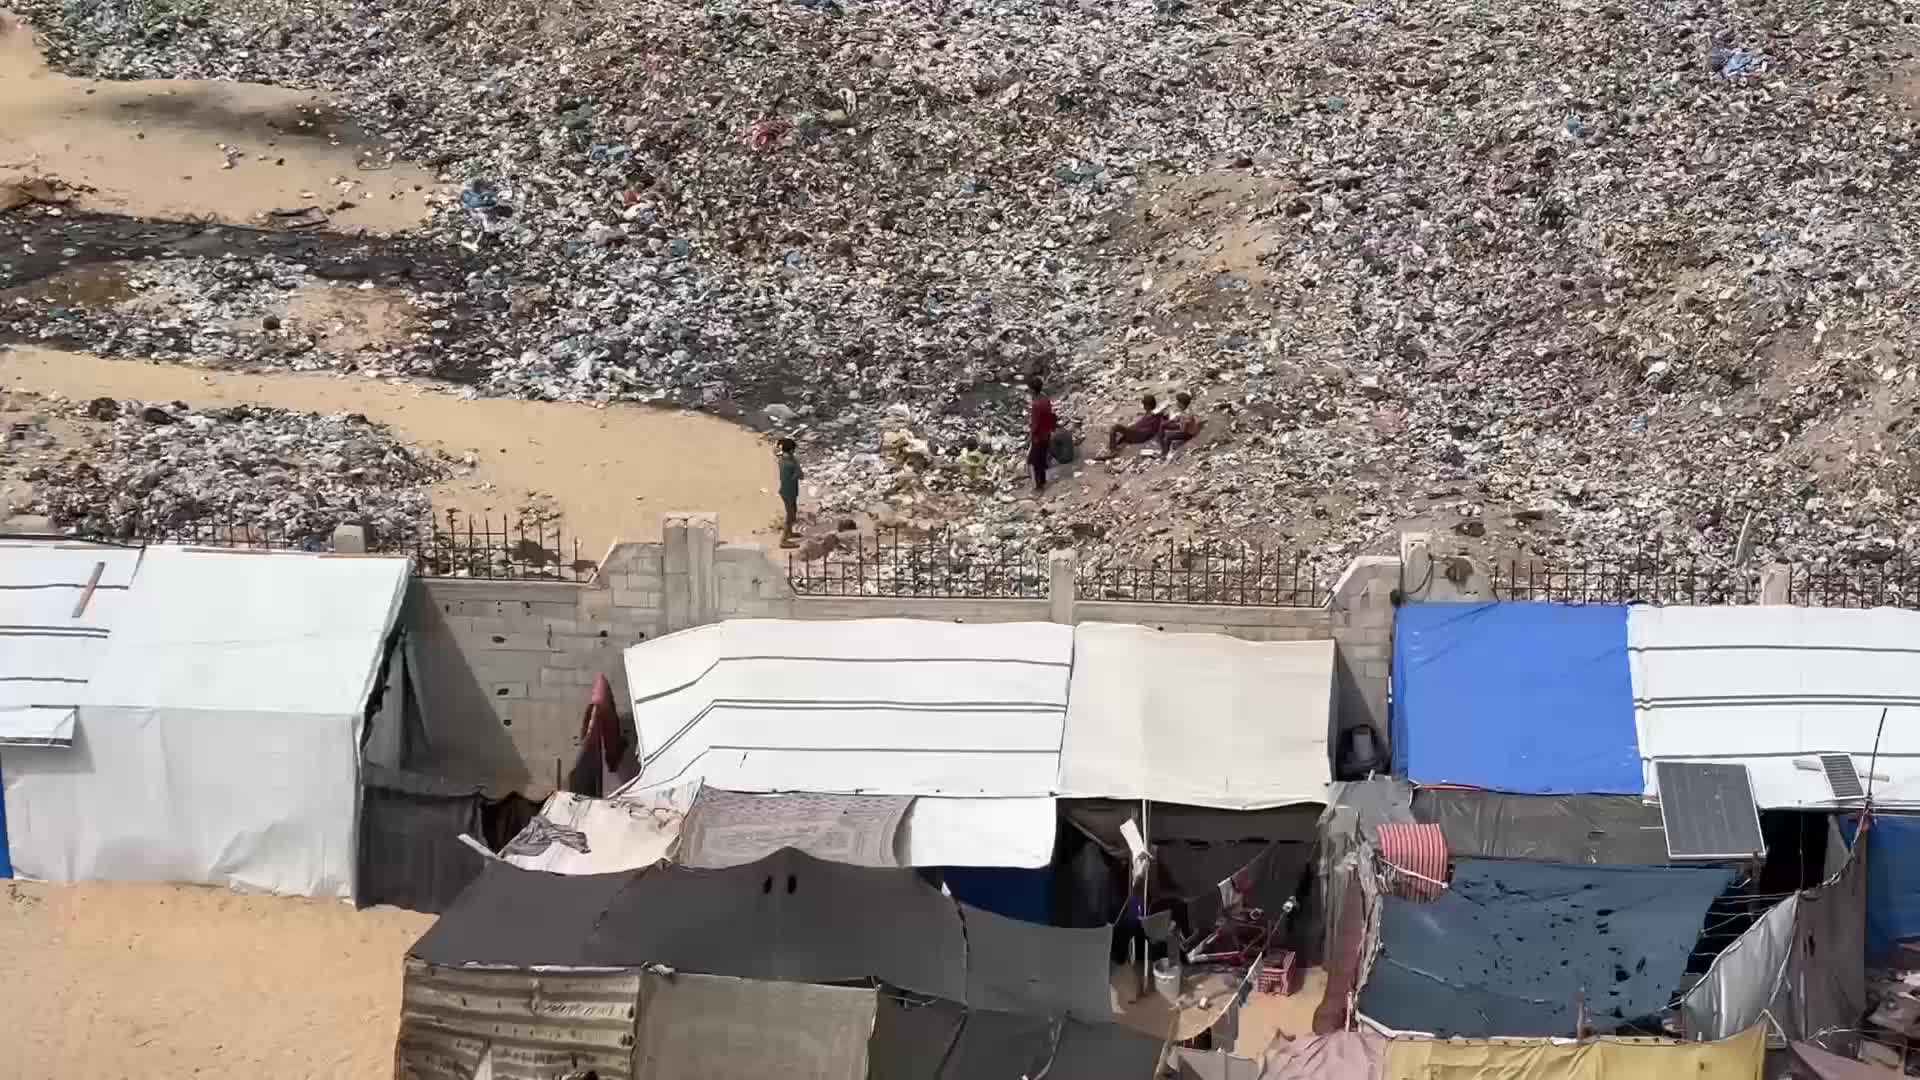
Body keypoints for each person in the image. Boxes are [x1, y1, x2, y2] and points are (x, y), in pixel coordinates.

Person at [1027, 375, 1058, 491]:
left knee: (1034, 462)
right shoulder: (1045, 398)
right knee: (1042, 458)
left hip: (1038, 437)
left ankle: (1039, 486)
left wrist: (1030, 437)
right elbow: (1050, 415)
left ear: (1032, 390)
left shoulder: (1035, 404)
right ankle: (1043, 480)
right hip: (1046, 433)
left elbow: (1035, 424)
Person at [1158, 391, 1202, 455]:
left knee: (1168, 437)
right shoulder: (1185, 410)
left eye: (1178, 402)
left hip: (1188, 433)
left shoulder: (1186, 414)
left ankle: (1164, 453)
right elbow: (1179, 419)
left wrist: (1176, 425)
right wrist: (1173, 421)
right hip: (1184, 427)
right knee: (1163, 425)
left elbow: (1183, 429)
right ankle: (1162, 444)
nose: (1176, 403)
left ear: (1181, 404)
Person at [776, 437, 802, 547]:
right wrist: (797, 464)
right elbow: (800, 475)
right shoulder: (791, 464)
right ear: (791, 450)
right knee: (790, 516)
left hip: (786, 491)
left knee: (793, 511)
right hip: (789, 492)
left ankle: (790, 533)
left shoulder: (782, 460)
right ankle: (783, 540)